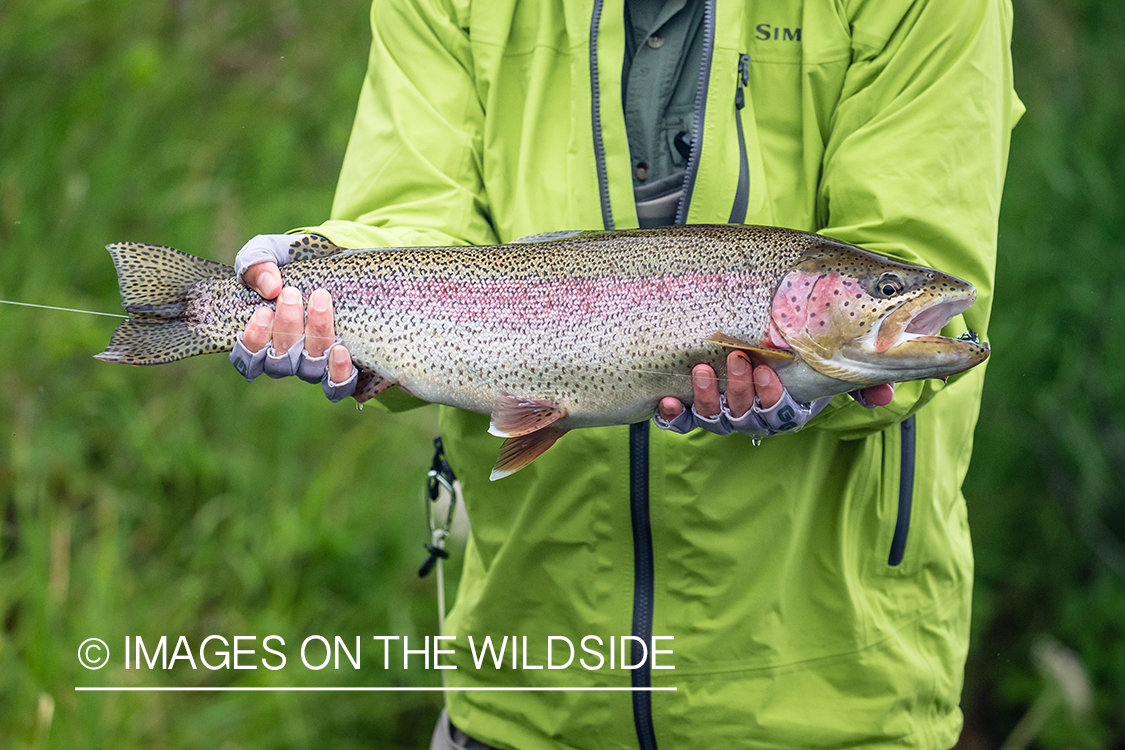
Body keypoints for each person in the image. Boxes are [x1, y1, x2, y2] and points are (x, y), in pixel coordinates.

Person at [228, 0, 1022, 747]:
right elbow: (414, 214)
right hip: (526, 687)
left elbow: (929, 266)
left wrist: (816, 387)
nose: (904, 302)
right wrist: (316, 270)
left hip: (833, 699)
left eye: (882, 295)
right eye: (886, 296)